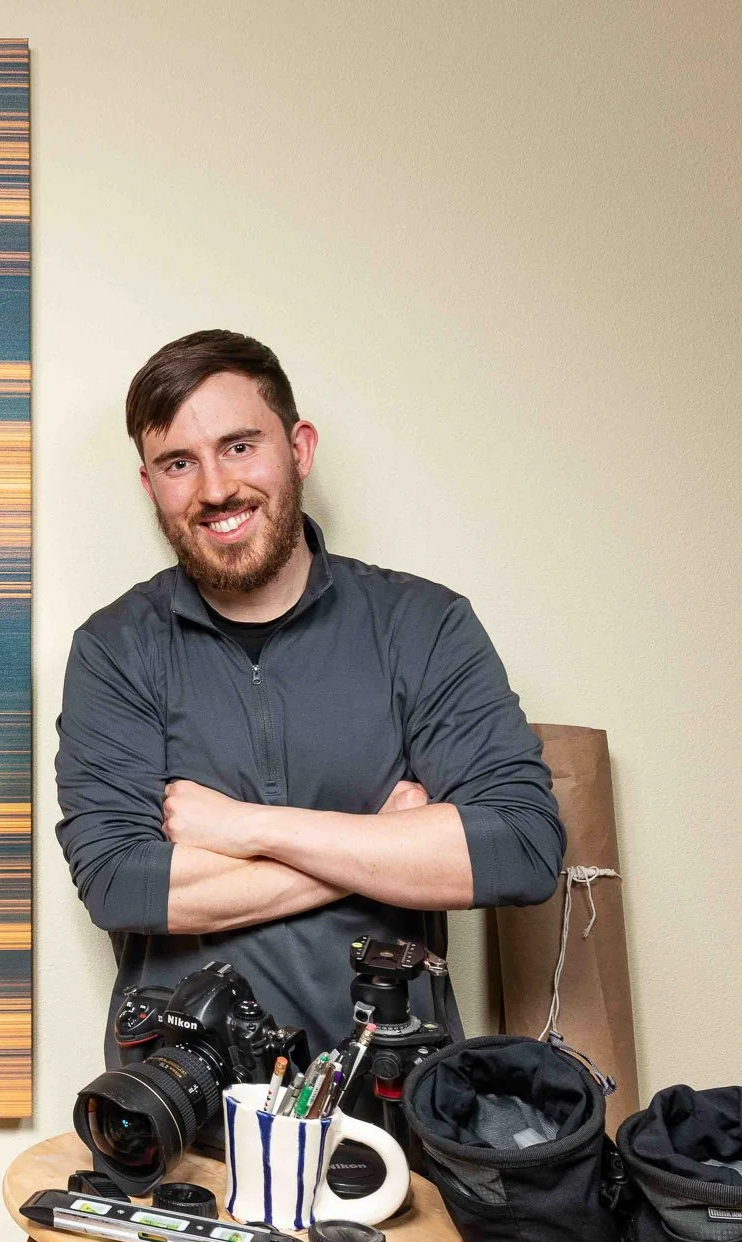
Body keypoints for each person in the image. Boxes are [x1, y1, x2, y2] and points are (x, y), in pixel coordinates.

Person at [54, 330, 564, 1061]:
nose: (215, 488)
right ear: (148, 485)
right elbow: (121, 883)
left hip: (392, 1093)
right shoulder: (114, 650)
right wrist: (386, 846)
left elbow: (521, 848)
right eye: (178, 463)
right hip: (186, 1107)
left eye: (239, 445)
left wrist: (246, 827)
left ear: (299, 448)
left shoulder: (422, 624)